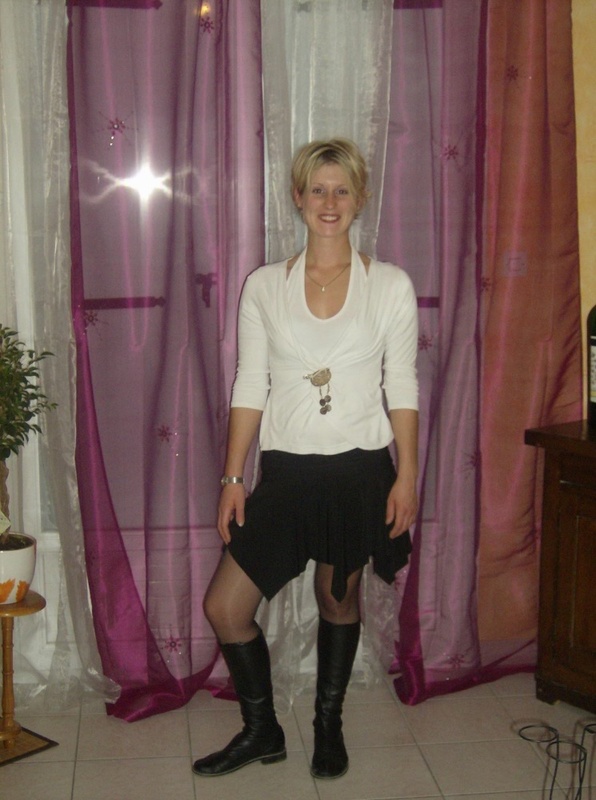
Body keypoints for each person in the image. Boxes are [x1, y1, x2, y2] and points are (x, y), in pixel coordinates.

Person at [192, 137, 419, 780]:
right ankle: (261, 730)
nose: (329, 201)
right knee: (225, 607)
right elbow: (249, 383)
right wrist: (233, 477)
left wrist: (408, 474)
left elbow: (402, 384)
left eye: (341, 189)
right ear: (298, 197)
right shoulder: (265, 286)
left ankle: (327, 725)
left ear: (360, 198)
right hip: (287, 472)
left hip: (359, 470)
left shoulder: (390, 286)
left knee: (335, 597)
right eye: (317, 189)